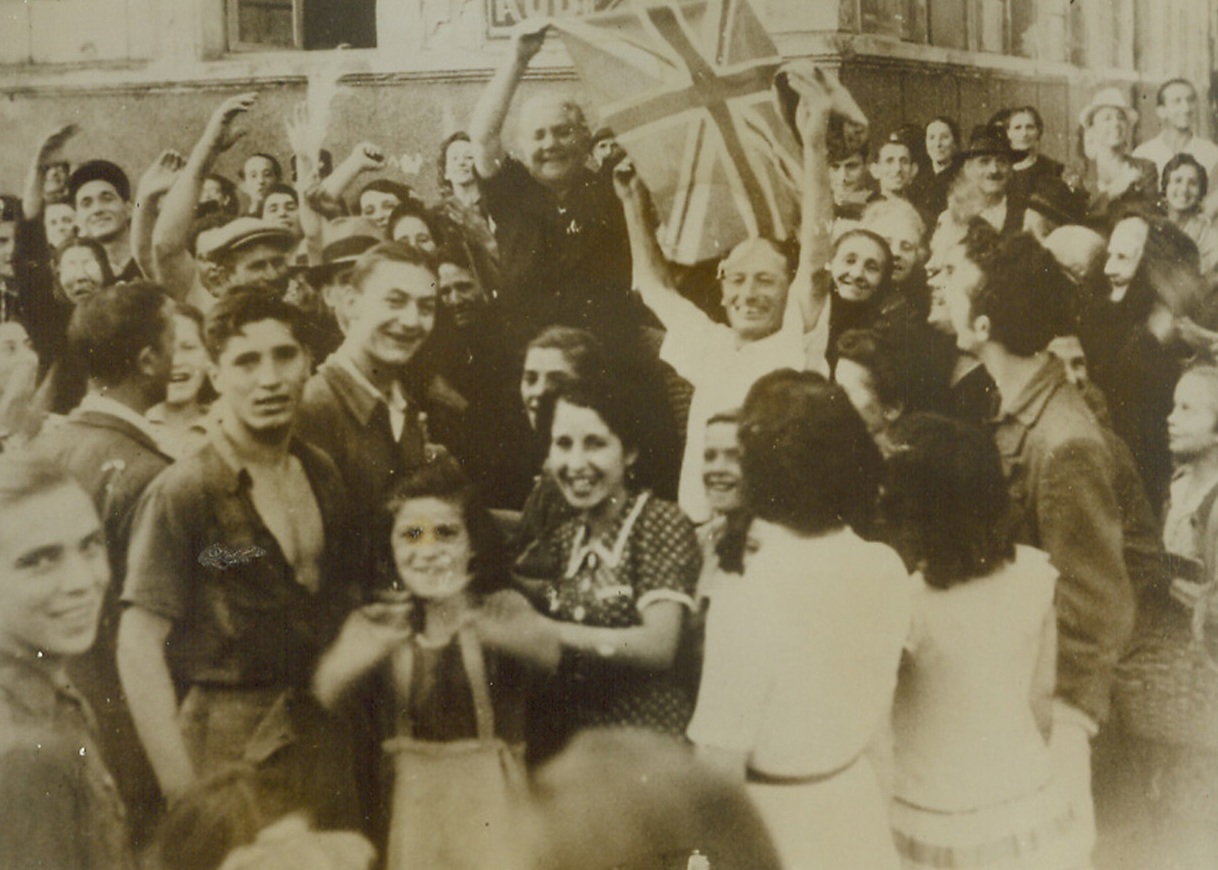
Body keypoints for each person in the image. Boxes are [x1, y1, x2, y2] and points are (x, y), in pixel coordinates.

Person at [117, 291, 361, 827]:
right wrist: (185, 796)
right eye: (246, 361)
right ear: (215, 374)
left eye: (284, 355)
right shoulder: (186, 490)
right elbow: (138, 645)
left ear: (308, 362)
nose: (269, 379)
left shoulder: (318, 469)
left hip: (318, 732)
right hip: (228, 744)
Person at [938, 228, 1135, 862]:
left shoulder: (1066, 441)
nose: (939, 282)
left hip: (1053, 718)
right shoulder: (1020, 406)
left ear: (985, 321)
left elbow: (1093, 608)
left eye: (954, 279)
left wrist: (1062, 733)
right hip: (1019, 699)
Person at [687, 369, 910, 870]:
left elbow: (718, 771)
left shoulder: (748, 594)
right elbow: (881, 735)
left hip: (775, 828)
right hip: (855, 809)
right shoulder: (884, 567)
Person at [884, 413, 1087, 870]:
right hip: (1028, 805)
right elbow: (1041, 699)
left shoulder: (907, 603)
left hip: (931, 813)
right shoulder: (1035, 575)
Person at [315, 457, 533, 864]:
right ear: (390, 548)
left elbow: (545, 648)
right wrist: (361, 654)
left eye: (446, 533)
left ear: (474, 545)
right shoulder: (375, 622)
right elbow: (326, 688)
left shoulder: (503, 607)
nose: (428, 551)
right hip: (415, 814)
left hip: (493, 811)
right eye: (411, 535)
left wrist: (471, 617)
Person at [28, 281, 176, 839]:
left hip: (49, 717)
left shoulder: (43, 450)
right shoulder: (148, 473)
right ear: (147, 360)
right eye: (176, 344)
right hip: (125, 731)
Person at [508, 380, 701, 762]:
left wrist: (547, 632)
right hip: (585, 757)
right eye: (563, 444)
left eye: (595, 443)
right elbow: (539, 592)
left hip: (651, 757)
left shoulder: (657, 521)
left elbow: (659, 644)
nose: (576, 463)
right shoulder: (569, 537)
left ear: (629, 451)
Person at [0, 457, 136, 869]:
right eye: (40, 560)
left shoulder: (54, 696)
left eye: (90, 546)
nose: (82, 581)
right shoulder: (24, 753)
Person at [469, 23, 635, 348]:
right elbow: (483, 136)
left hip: (604, 359)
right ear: (520, 146)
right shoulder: (512, 190)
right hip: (524, 356)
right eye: (539, 134)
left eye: (563, 132)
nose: (552, 144)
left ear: (585, 139)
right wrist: (517, 58)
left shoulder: (614, 190)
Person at [297, 241, 438, 594]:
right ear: (350, 303)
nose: (411, 321)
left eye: (426, 307)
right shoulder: (314, 408)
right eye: (394, 301)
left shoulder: (402, 404)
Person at [1075, 87, 1159, 226]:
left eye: (1121, 118)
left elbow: (1151, 213)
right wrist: (1114, 190)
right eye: (1107, 118)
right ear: (1092, 129)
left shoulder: (1145, 168)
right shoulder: (1080, 170)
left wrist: (1102, 204)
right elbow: (1075, 213)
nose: (1115, 124)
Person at [146, 303, 214, 457]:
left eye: (188, 347)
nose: (176, 362)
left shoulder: (229, 425)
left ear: (208, 356)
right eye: (165, 350)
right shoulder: (136, 429)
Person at [1132, 77, 1218, 195]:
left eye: (1190, 100)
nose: (1186, 108)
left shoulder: (1211, 153)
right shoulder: (1144, 153)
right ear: (1161, 111)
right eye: (1177, 101)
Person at [68, 158, 143, 282]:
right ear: (77, 220)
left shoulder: (153, 262)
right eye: (86, 204)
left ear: (129, 208)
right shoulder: (78, 278)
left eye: (107, 199)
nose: (97, 210)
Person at [1161, 153, 1218, 277]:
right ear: (1166, 188)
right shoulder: (1152, 228)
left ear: (1201, 192)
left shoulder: (1212, 239)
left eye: (1192, 183)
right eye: (1178, 181)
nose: (1184, 189)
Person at [1006, 105, 1065, 203]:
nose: (1024, 133)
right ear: (1009, 133)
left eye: (1030, 127)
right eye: (1017, 128)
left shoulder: (1053, 168)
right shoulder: (1000, 168)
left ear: (1038, 131)